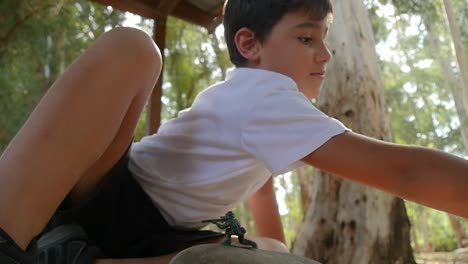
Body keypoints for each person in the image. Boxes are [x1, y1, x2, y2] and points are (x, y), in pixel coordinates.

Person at [1, 0, 468, 263]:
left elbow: (264, 209)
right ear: (249, 44)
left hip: (157, 233)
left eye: (324, 40)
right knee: (134, 48)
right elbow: (406, 173)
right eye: (307, 38)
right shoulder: (266, 95)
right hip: (113, 194)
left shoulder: (257, 116)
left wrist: (272, 249)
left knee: (266, 253)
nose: (324, 55)